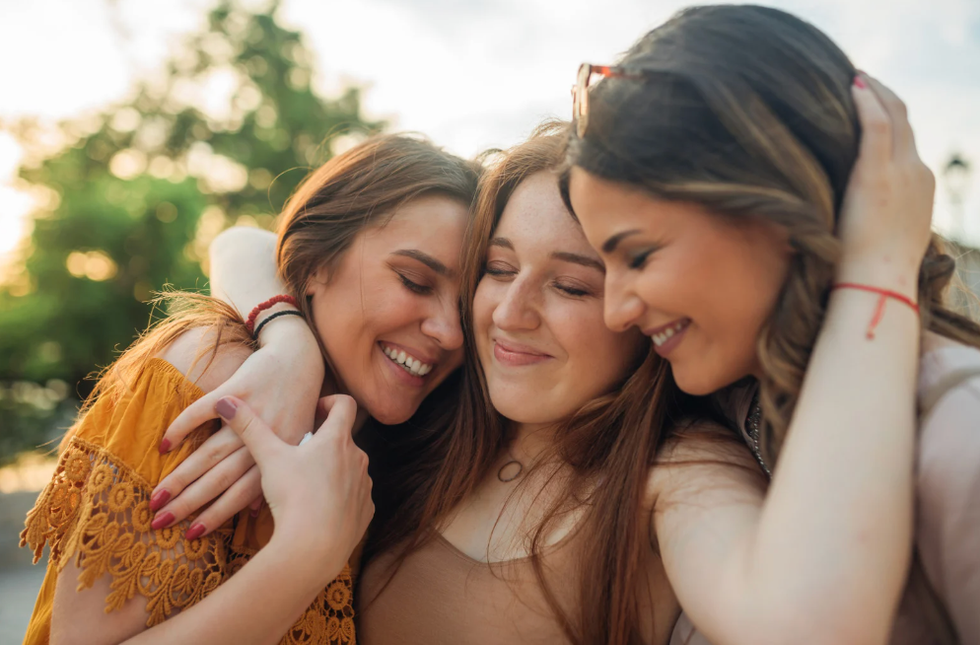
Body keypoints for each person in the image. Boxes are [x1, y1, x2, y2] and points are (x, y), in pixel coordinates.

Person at [183, 94, 928, 644]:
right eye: (498, 268)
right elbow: (248, 243)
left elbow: (809, 625)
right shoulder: (419, 422)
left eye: (570, 285)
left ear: (642, 309)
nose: (510, 312)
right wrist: (289, 342)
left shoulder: (672, 474)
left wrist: (880, 268)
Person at [565, 5, 980, 643]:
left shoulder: (959, 435)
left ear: (777, 210)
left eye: (640, 255)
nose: (615, 311)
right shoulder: (725, 416)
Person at [19, 133, 479, 645]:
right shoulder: (216, 374)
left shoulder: (388, 436)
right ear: (319, 261)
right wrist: (308, 553)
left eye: (465, 309)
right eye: (415, 281)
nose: (450, 332)